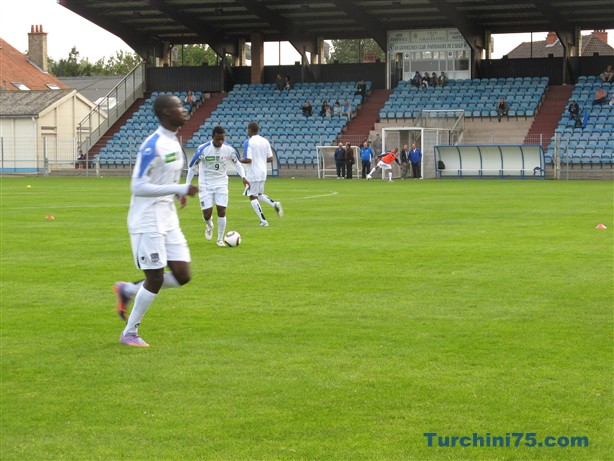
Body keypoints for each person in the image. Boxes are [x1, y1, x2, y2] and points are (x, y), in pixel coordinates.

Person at [113, 94, 199, 347]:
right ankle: (129, 333)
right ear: (165, 113)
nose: (184, 109)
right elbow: (138, 186)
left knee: (183, 275)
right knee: (156, 277)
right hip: (147, 218)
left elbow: (164, 178)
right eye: (179, 107)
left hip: (168, 216)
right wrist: (180, 189)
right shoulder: (153, 145)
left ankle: (127, 290)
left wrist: (175, 191)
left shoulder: (174, 143)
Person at [186, 125, 250, 247]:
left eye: (222, 139)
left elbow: (237, 164)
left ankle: (220, 239)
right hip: (205, 184)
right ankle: (209, 225)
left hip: (221, 183)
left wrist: (243, 177)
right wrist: (186, 185)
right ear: (212, 137)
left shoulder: (229, 150)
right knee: (207, 215)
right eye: (218, 139)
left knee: (222, 210)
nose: (220, 142)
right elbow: (192, 167)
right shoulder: (203, 149)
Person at [240, 121, 283, 227]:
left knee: (252, 197)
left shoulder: (248, 142)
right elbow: (270, 158)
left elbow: (248, 160)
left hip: (253, 173)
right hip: (263, 172)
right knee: (259, 194)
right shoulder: (265, 141)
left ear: (250, 130)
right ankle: (274, 204)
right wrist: (260, 160)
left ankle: (263, 221)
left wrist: (238, 160)